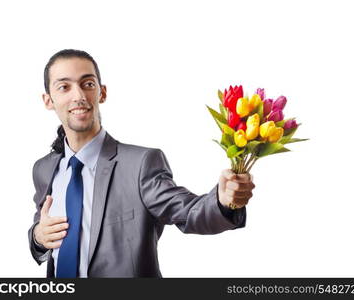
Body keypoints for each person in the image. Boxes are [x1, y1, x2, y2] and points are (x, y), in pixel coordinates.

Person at [28, 49, 256, 278]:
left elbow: (187, 213)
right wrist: (39, 236)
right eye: (64, 87)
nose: (78, 95)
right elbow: (42, 230)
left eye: (87, 84)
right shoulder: (44, 169)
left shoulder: (140, 164)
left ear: (102, 92)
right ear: (48, 100)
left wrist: (223, 202)